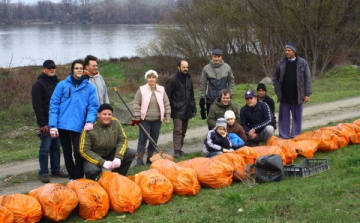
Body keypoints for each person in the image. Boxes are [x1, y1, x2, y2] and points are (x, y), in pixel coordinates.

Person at [49, 59, 99, 180]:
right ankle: (72, 176)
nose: (79, 70)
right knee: (66, 152)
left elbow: (93, 106)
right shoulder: (62, 85)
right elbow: (54, 104)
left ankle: (79, 175)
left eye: (81, 68)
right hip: (63, 125)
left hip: (79, 125)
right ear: (72, 70)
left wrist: (89, 121)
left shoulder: (89, 87)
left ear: (84, 70)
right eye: (76, 68)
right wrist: (53, 125)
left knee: (78, 152)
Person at [31, 60, 68, 183]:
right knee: (45, 148)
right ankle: (43, 172)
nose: (52, 69)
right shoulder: (39, 84)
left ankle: (56, 170)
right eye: (49, 67)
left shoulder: (58, 83)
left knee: (56, 146)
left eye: (53, 67)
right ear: (44, 69)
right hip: (46, 122)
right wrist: (42, 123)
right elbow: (37, 105)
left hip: (58, 121)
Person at [79, 104, 136, 180]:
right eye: (104, 114)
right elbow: (83, 150)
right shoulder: (90, 127)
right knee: (91, 170)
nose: (107, 116)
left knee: (130, 153)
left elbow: (123, 139)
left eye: (109, 114)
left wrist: (118, 157)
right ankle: (93, 182)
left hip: (110, 152)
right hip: (95, 155)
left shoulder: (115, 122)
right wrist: (103, 162)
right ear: (98, 114)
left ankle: (117, 178)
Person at [273, 42, 312, 139]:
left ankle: (295, 135)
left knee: (297, 118)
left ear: (294, 51)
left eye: (289, 50)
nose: (286, 52)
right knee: (284, 118)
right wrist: (278, 91)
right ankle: (284, 136)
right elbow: (275, 78)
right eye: (285, 50)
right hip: (284, 95)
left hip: (298, 95)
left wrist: (307, 93)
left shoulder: (302, 63)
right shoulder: (281, 63)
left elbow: (307, 78)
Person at [133, 70, 171, 165]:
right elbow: (137, 103)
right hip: (144, 120)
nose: (151, 79)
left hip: (157, 120)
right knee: (142, 139)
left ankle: (150, 158)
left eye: (153, 77)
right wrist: (137, 116)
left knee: (154, 139)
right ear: (146, 79)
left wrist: (167, 116)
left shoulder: (161, 90)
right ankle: (139, 159)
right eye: (149, 77)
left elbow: (166, 103)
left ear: (156, 79)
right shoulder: (141, 90)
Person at [165, 60, 196, 158]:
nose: (185, 69)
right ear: (178, 67)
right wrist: (167, 111)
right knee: (178, 130)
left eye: (187, 67)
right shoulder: (172, 80)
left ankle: (180, 148)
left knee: (184, 130)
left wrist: (193, 107)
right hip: (176, 109)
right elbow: (167, 96)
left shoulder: (189, 79)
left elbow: (192, 95)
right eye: (183, 67)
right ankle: (176, 151)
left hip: (187, 109)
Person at [199, 49, 235, 119]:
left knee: (225, 120)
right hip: (211, 99)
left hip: (224, 99)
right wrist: (202, 97)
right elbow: (203, 84)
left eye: (218, 57)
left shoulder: (227, 67)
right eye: (215, 56)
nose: (216, 59)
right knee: (211, 121)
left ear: (221, 57)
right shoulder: (206, 68)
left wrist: (230, 94)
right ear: (212, 57)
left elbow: (231, 81)